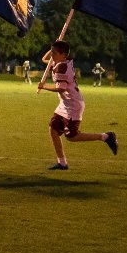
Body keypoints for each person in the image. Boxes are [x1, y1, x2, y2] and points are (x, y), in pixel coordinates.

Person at [36, 41, 119, 170]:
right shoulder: (63, 60)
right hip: (65, 103)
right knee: (53, 130)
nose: (51, 55)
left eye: (54, 53)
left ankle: (106, 137)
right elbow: (44, 59)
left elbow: (61, 88)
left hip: (73, 105)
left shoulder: (61, 68)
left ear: (63, 55)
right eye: (51, 52)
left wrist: (44, 86)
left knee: (72, 137)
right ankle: (62, 163)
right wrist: (53, 47)